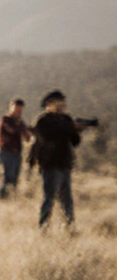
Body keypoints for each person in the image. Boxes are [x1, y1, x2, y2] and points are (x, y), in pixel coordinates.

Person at [30, 90, 84, 227]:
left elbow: (74, 142)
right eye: (59, 102)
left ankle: (70, 226)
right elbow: (48, 136)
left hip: (65, 163)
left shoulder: (66, 119)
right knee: (49, 198)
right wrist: (69, 128)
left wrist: (77, 130)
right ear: (50, 104)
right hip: (50, 164)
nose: (63, 105)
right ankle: (43, 226)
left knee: (67, 200)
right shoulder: (43, 120)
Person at [0, 98, 32, 199]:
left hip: (17, 151)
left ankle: (11, 196)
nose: (18, 111)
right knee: (9, 175)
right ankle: (3, 196)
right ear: (11, 108)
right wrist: (20, 126)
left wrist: (28, 132)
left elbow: (27, 136)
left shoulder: (19, 122)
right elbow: (11, 130)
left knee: (16, 176)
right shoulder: (5, 119)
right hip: (6, 151)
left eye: (20, 109)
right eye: (16, 108)